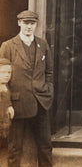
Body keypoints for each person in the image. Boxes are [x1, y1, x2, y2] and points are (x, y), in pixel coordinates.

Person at [0, 10, 54, 167]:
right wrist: (8, 104)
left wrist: (48, 90)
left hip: (41, 102)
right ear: (19, 23)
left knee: (45, 147)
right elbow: (2, 78)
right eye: (26, 23)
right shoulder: (8, 46)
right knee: (15, 148)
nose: (29, 27)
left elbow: (49, 72)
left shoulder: (42, 44)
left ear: (36, 25)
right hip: (18, 104)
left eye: (32, 24)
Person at [0, 58, 14, 149]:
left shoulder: (6, 87)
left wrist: (9, 105)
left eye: (9, 72)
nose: (7, 75)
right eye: (3, 72)